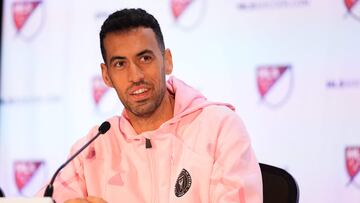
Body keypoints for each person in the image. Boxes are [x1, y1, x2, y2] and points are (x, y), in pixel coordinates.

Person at [43, 8, 263, 203]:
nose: (135, 76)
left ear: (167, 60)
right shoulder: (94, 148)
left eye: (145, 58)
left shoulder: (219, 128)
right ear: (106, 76)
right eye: (120, 64)